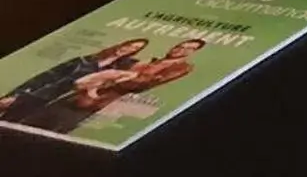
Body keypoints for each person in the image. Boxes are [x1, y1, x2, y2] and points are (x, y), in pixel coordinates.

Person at [6, 38, 206, 136]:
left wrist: (118, 80)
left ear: (191, 53)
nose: (181, 49)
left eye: (188, 48)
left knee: (51, 131)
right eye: (181, 45)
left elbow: (143, 84)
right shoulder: (139, 60)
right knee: (27, 123)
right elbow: (99, 72)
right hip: (72, 96)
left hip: (93, 103)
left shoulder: (181, 67)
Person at [0, 38, 146, 125]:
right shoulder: (83, 60)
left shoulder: (118, 68)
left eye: (134, 49)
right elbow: (45, 77)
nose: (128, 49)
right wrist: (18, 94)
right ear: (122, 44)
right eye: (129, 45)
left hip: (61, 105)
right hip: (38, 95)